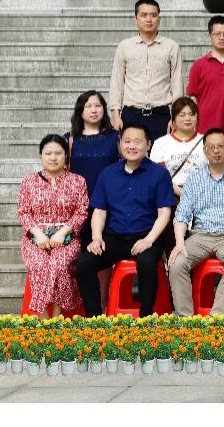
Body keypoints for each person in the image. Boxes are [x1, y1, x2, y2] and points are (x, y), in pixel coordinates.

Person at [75, 124, 175, 317]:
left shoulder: (159, 174)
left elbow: (164, 213)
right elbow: (99, 211)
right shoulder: (108, 173)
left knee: (146, 262)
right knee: (84, 263)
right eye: (127, 141)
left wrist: (148, 240)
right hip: (116, 237)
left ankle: (145, 318)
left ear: (148, 144)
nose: (132, 146)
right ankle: (94, 319)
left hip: (147, 236)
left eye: (138, 141)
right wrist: (96, 237)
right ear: (120, 144)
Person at [166, 128, 224, 317]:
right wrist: (180, 243)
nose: (216, 151)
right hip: (200, 237)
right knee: (176, 263)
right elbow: (182, 214)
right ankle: (186, 320)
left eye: (221, 146)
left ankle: (216, 318)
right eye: (211, 147)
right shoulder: (194, 179)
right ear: (204, 150)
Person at [17, 134, 89, 319]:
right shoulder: (29, 182)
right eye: (48, 153)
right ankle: (43, 318)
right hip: (36, 238)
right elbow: (23, 212)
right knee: (40, 264)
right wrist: (38, 234)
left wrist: (63, 233)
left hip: (66, 237)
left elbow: (81, 212)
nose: (53, 157)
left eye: (58, 153)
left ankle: (57, 316)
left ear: (66, 155)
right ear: (41, 156)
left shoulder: (77, 181)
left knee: (59, 264)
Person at [108, 0, 183, 143]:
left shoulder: (171, 47)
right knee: (131, 154)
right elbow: (116, 82)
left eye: (153, 15)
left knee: (160, 155)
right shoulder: (124, 46)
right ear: (135, 19)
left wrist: (175, 117)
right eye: (143, 15)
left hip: (161, 114)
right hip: (131, 113)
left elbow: (177, 84)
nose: (149, 19)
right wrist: (116, 116)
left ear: (159, 19)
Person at [65, 90, 120, 248]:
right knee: (81, 249)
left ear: (104, 108)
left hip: (110, 203)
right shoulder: (70, 139)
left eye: (98, 105)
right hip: (79, 204)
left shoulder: (116, 137)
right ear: (80, 110)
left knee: (105, 249)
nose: (94, 110)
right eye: (88, 106)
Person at [148, 96, 206, 198]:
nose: (187, 118)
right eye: (182, 115)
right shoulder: (161, 143)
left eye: (192, 114)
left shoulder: (207, 141)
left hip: (202, 194)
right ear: (173, 119)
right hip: (171, 195)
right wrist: (182, 193)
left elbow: (215, 172)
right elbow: (158, 176)